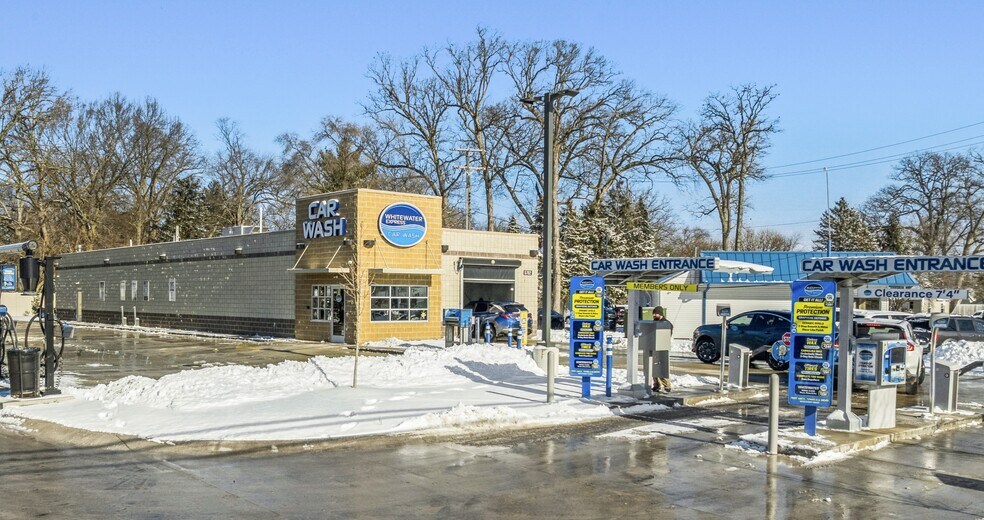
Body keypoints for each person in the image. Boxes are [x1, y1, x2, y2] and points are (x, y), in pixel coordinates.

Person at [652, 306, 673, 393]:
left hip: (662, 347)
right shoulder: (654, 322)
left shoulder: (666, 323)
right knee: (654, 367)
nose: (654, 315)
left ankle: (666, 385)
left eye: (655, 314)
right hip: (654, 346)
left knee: (662, 367)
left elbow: (667, 335)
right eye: (653, 314)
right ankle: (656, 384)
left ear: (660, 314)